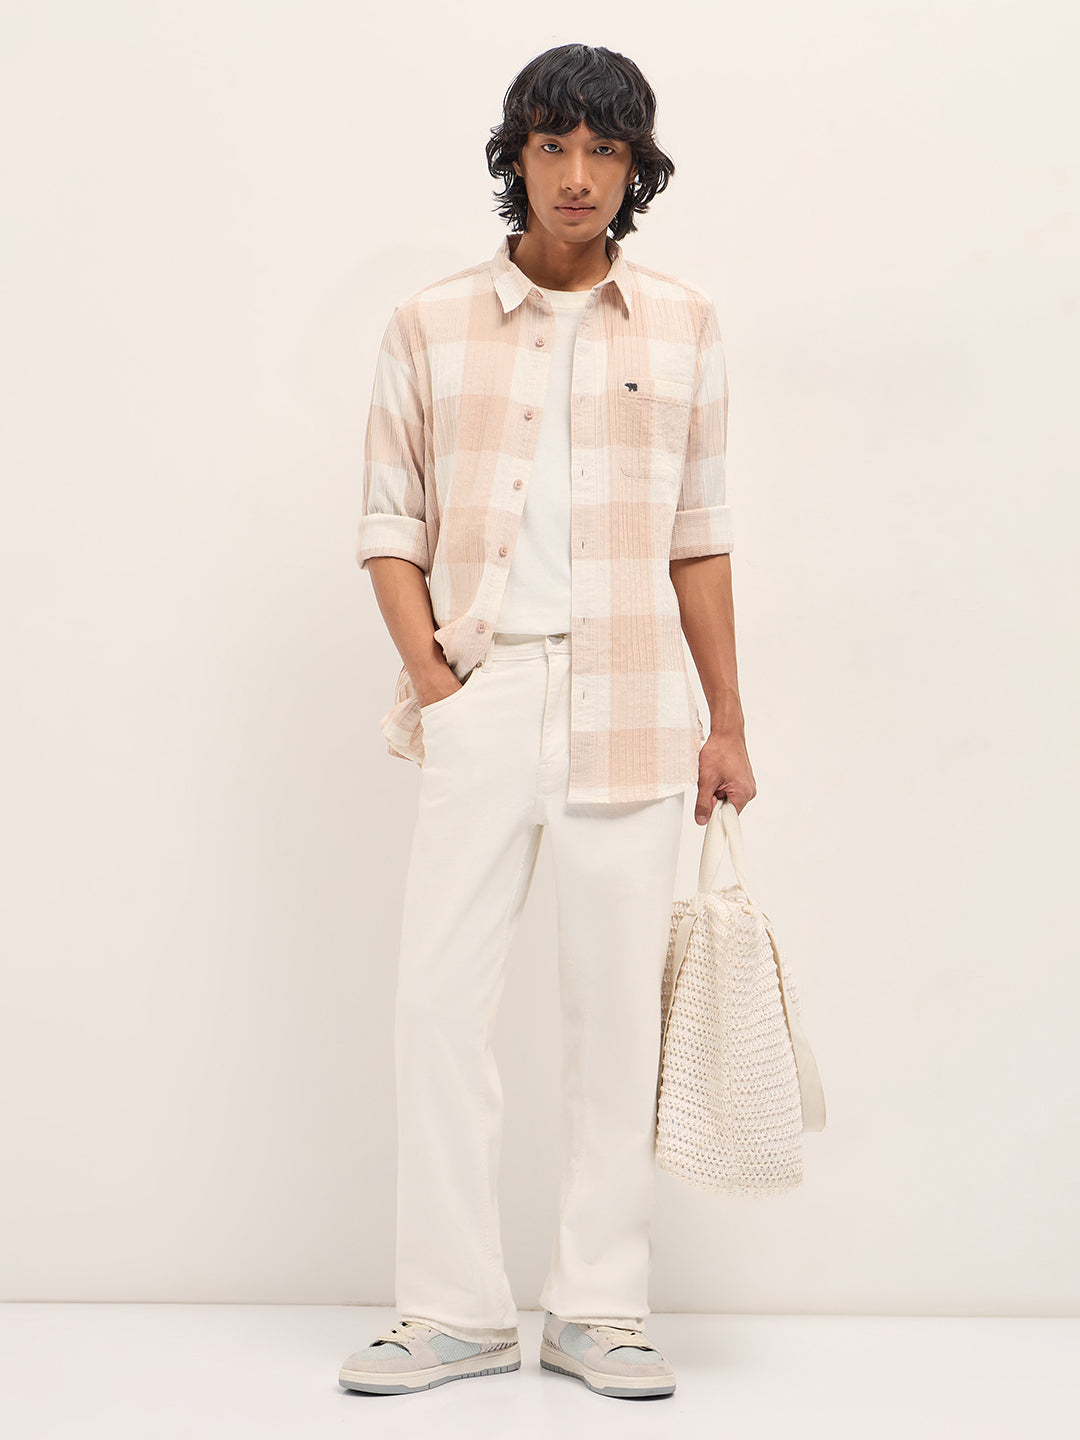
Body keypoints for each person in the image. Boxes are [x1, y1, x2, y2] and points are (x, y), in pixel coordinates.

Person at [338, 42, 756, 1401]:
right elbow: (389, 523)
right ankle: (452, 1311)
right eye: (553, 146)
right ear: (515, 155)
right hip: (485, 691)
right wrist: (439, 685)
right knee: (435, 1004)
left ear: (638, 168)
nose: (578, 176)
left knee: (614, 1016)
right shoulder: (429, 322)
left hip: (634, 700)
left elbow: (701, 535)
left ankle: (599, 1306)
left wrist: (728, 719)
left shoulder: (684, 323)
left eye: (605, 151)